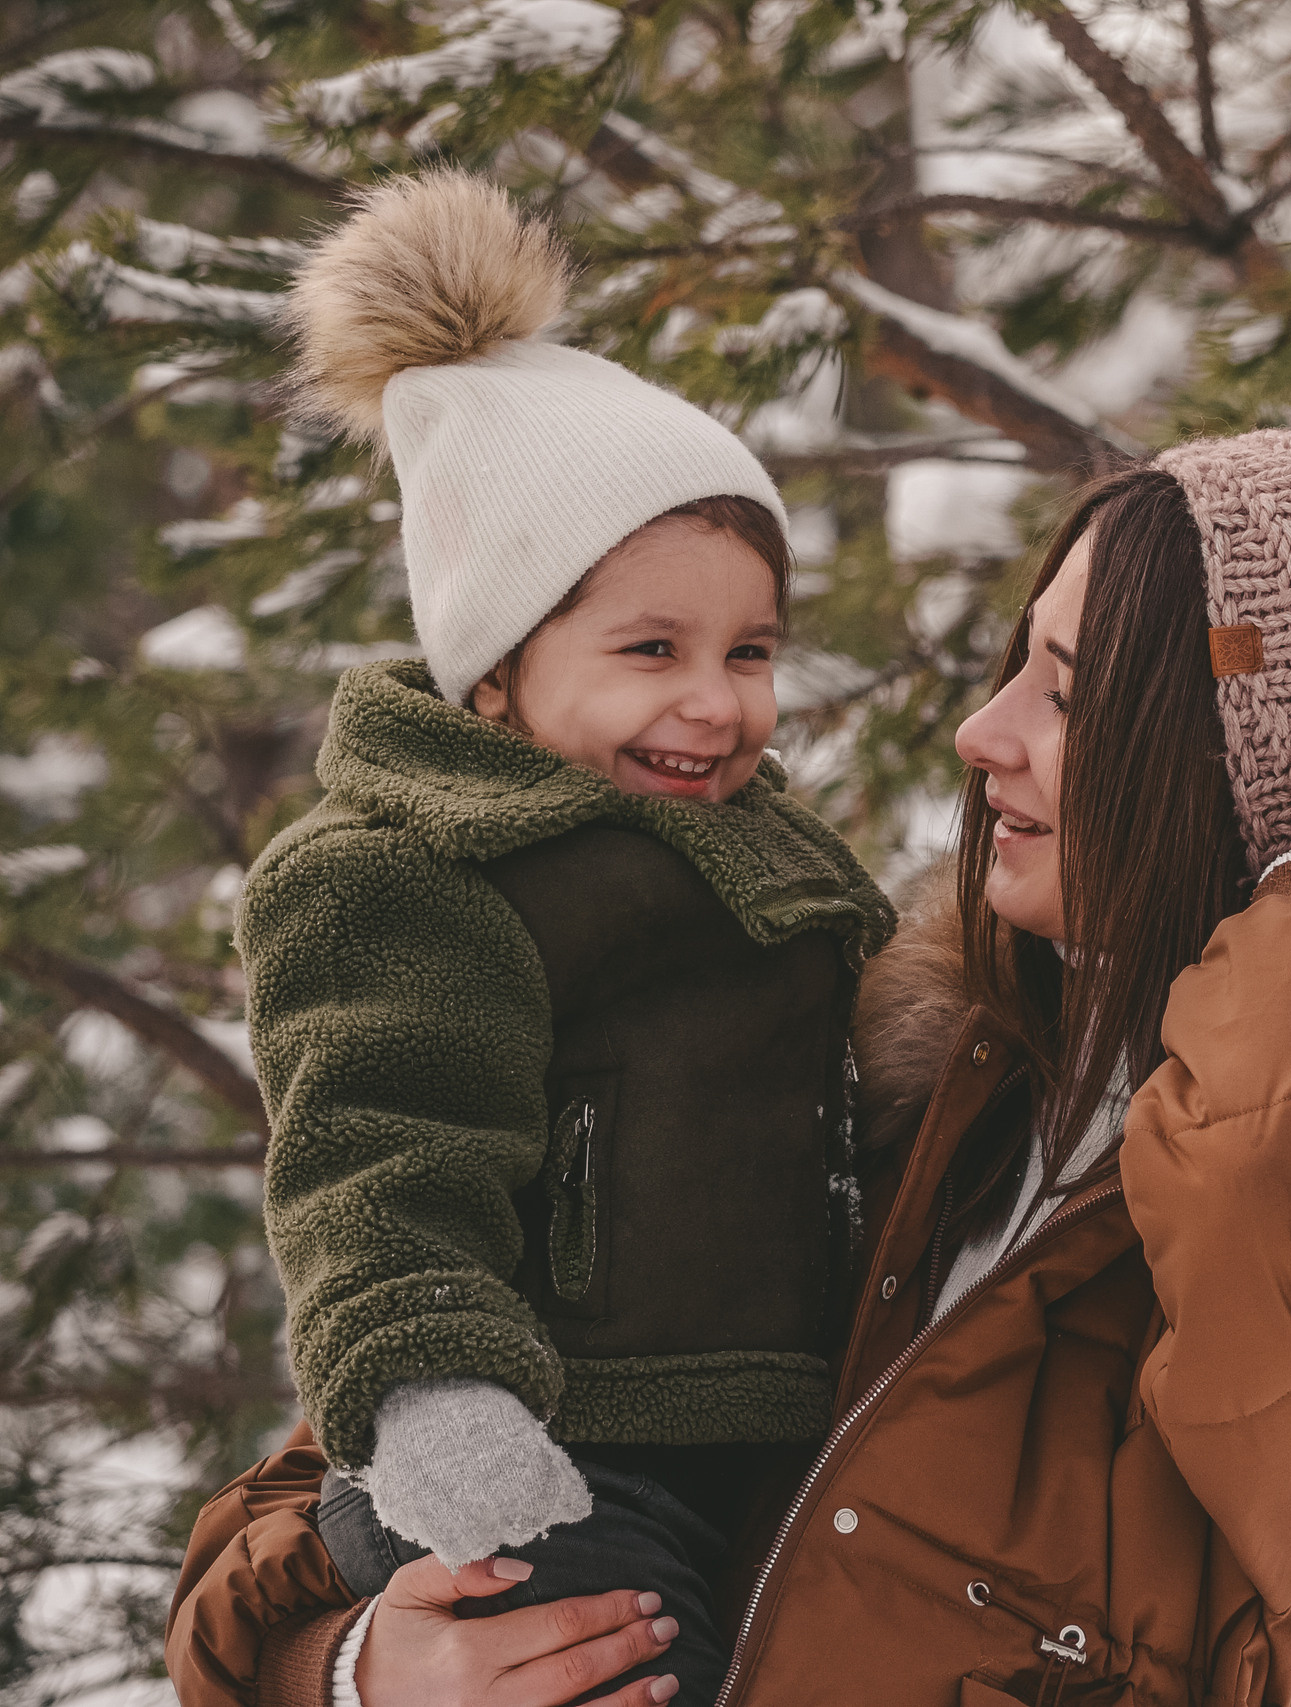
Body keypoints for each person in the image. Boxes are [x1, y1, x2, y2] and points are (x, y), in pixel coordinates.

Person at [167, 426, 1291, 1707]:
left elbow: (1275, 1189)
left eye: (1071, 694)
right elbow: (369, 1427)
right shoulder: (920, 1062)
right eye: (1020, 659)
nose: (982, 730)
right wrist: (360, 1668)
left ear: (1259, 776)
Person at [215, 171, 895, 1705]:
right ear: (495, 677)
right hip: (539, 1462)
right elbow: (376, 1156)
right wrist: (437, 1391)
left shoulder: (772, 863)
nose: (715, 699)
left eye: (751, 650)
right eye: (649, 650)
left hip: (761, 1442)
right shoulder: (414, 875)